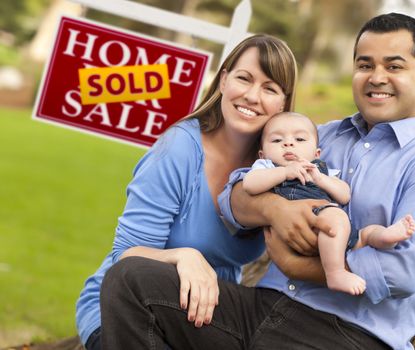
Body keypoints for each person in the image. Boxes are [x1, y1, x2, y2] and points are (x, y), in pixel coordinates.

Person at [97, 15, 415, 350]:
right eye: (365, 65)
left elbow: (404, 271)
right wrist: (274, 208)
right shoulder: (320, 136)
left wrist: (294, 264)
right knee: (132, 280)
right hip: (261, 307)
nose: (376, 77)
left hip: (347, 334)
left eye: (394, 66)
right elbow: (233, 197)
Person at [75, 34, 298, 350]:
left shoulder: (276, 169)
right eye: (244, 79)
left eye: (269, 88)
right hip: (123, 308)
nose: (252, 96)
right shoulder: (179, 148)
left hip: (203, 315)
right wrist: (184, 256)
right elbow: (126, 254)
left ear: (284, 103)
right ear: (223, 80)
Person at [243, 111, 415, 295]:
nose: (288, 143)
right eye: (277, 141)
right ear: (262, 154)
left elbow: (344, 195)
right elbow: (249, 185)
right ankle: (335, 272)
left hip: (333, 233)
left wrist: (320, 179)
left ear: (316, 153)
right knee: (335, 216)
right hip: (308, 225)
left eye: (300, 139)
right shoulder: (267, 167)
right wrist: (284, 173)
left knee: (365, 233)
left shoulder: (318, 170)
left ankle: (384, 237)